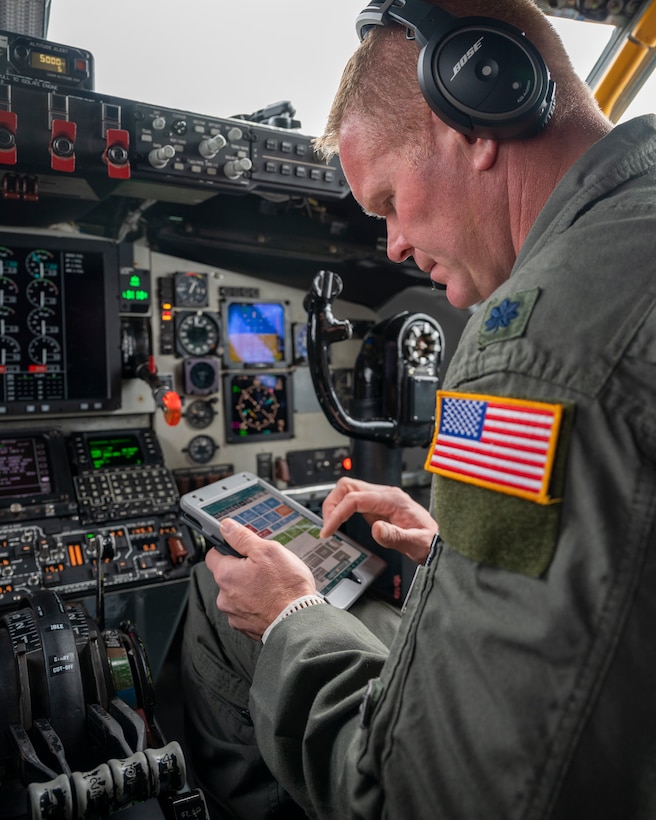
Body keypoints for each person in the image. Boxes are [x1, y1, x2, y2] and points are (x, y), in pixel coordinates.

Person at [181, 0, 656, 817]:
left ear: (476, 113)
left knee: (217, 602)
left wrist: (291, 615)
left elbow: (429, 794)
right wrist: (454, 553)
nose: (392, 246)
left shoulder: (522, 353)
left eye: (389, 202)